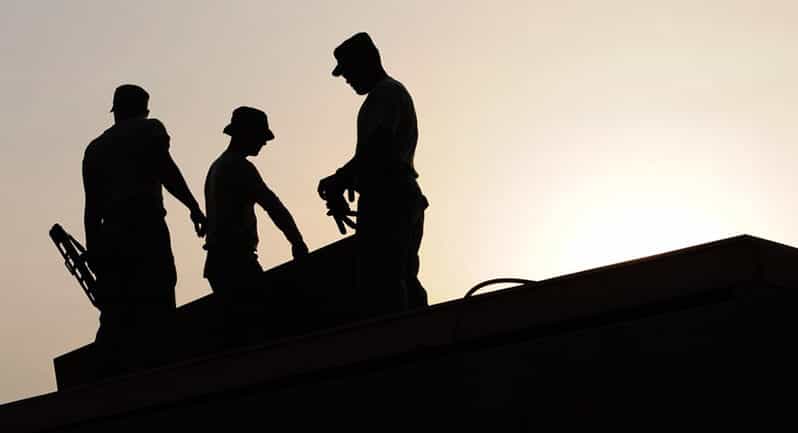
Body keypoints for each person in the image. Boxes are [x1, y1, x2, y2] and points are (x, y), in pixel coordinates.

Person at [83, 84, 206, 344]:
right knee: (159, 294)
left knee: (117, 309)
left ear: (116, 111)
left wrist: (94, 251)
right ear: (144, 110)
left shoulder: (94, 149)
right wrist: (193, 207)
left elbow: (91, 210)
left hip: (112, 237)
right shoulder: (149, 130)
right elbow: (167, 171)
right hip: (146, 229)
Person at [318, 32, 429, 314]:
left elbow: (378, 148)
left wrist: (341, 178)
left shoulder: (386, 94)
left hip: (391, 199)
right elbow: (374, 156)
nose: (347, 79)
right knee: (399, 276)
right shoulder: (384, 96)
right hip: (393, 197)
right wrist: (349, 180)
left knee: (385, 281)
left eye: (349, 72)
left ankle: (406, 343)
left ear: (367, 62)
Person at [203, 106, 308, 339]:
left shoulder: (217, 167)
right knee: (259, 328)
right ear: (247, 134)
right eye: (260, 137)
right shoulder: (239, 167)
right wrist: (297, 241)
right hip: (236, 262)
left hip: (220, 263)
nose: (264, 143)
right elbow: (273, 206)